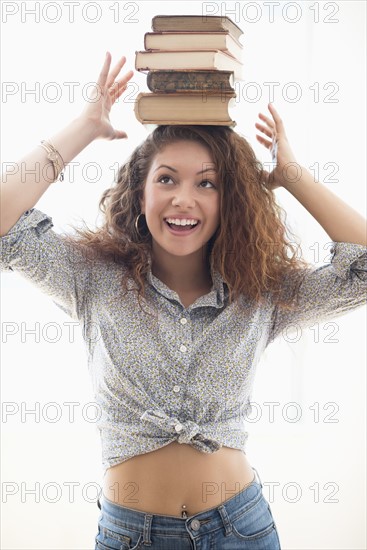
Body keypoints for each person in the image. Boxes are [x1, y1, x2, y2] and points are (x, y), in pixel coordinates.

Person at [1, 52, 366, 550]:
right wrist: (86, 127)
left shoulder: (260, 293)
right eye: (167, 178)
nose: (183, 199)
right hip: (132, 535)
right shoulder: (93, 280)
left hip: (240, 528)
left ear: (229, 200)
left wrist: (293, 174)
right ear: (141, 191)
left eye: (207, 183)